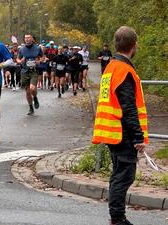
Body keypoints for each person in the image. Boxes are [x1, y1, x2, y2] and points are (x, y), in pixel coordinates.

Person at [92, 26, 148, 225]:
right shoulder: (124, 70)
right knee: (124, 176)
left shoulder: (111, 67)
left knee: (119, 174)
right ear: (134, 45)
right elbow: (129, 108)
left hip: (112, 130)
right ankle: (117, 219)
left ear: (116, 44)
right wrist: (138, 137)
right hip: (121, 132)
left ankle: (117, 217)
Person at [16, 33, 43, 115]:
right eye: (25, 38)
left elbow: (43, 57)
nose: (27, 39)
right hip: (24, 72)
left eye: (29, 38)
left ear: (32, 39)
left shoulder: (38, 48)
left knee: (32, 88)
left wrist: (39, 61)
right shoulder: (21, 49)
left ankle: (35, 97)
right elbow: (17, 59)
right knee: (27, 92)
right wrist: (20, 61)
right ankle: (31, 108)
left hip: (33, 71)